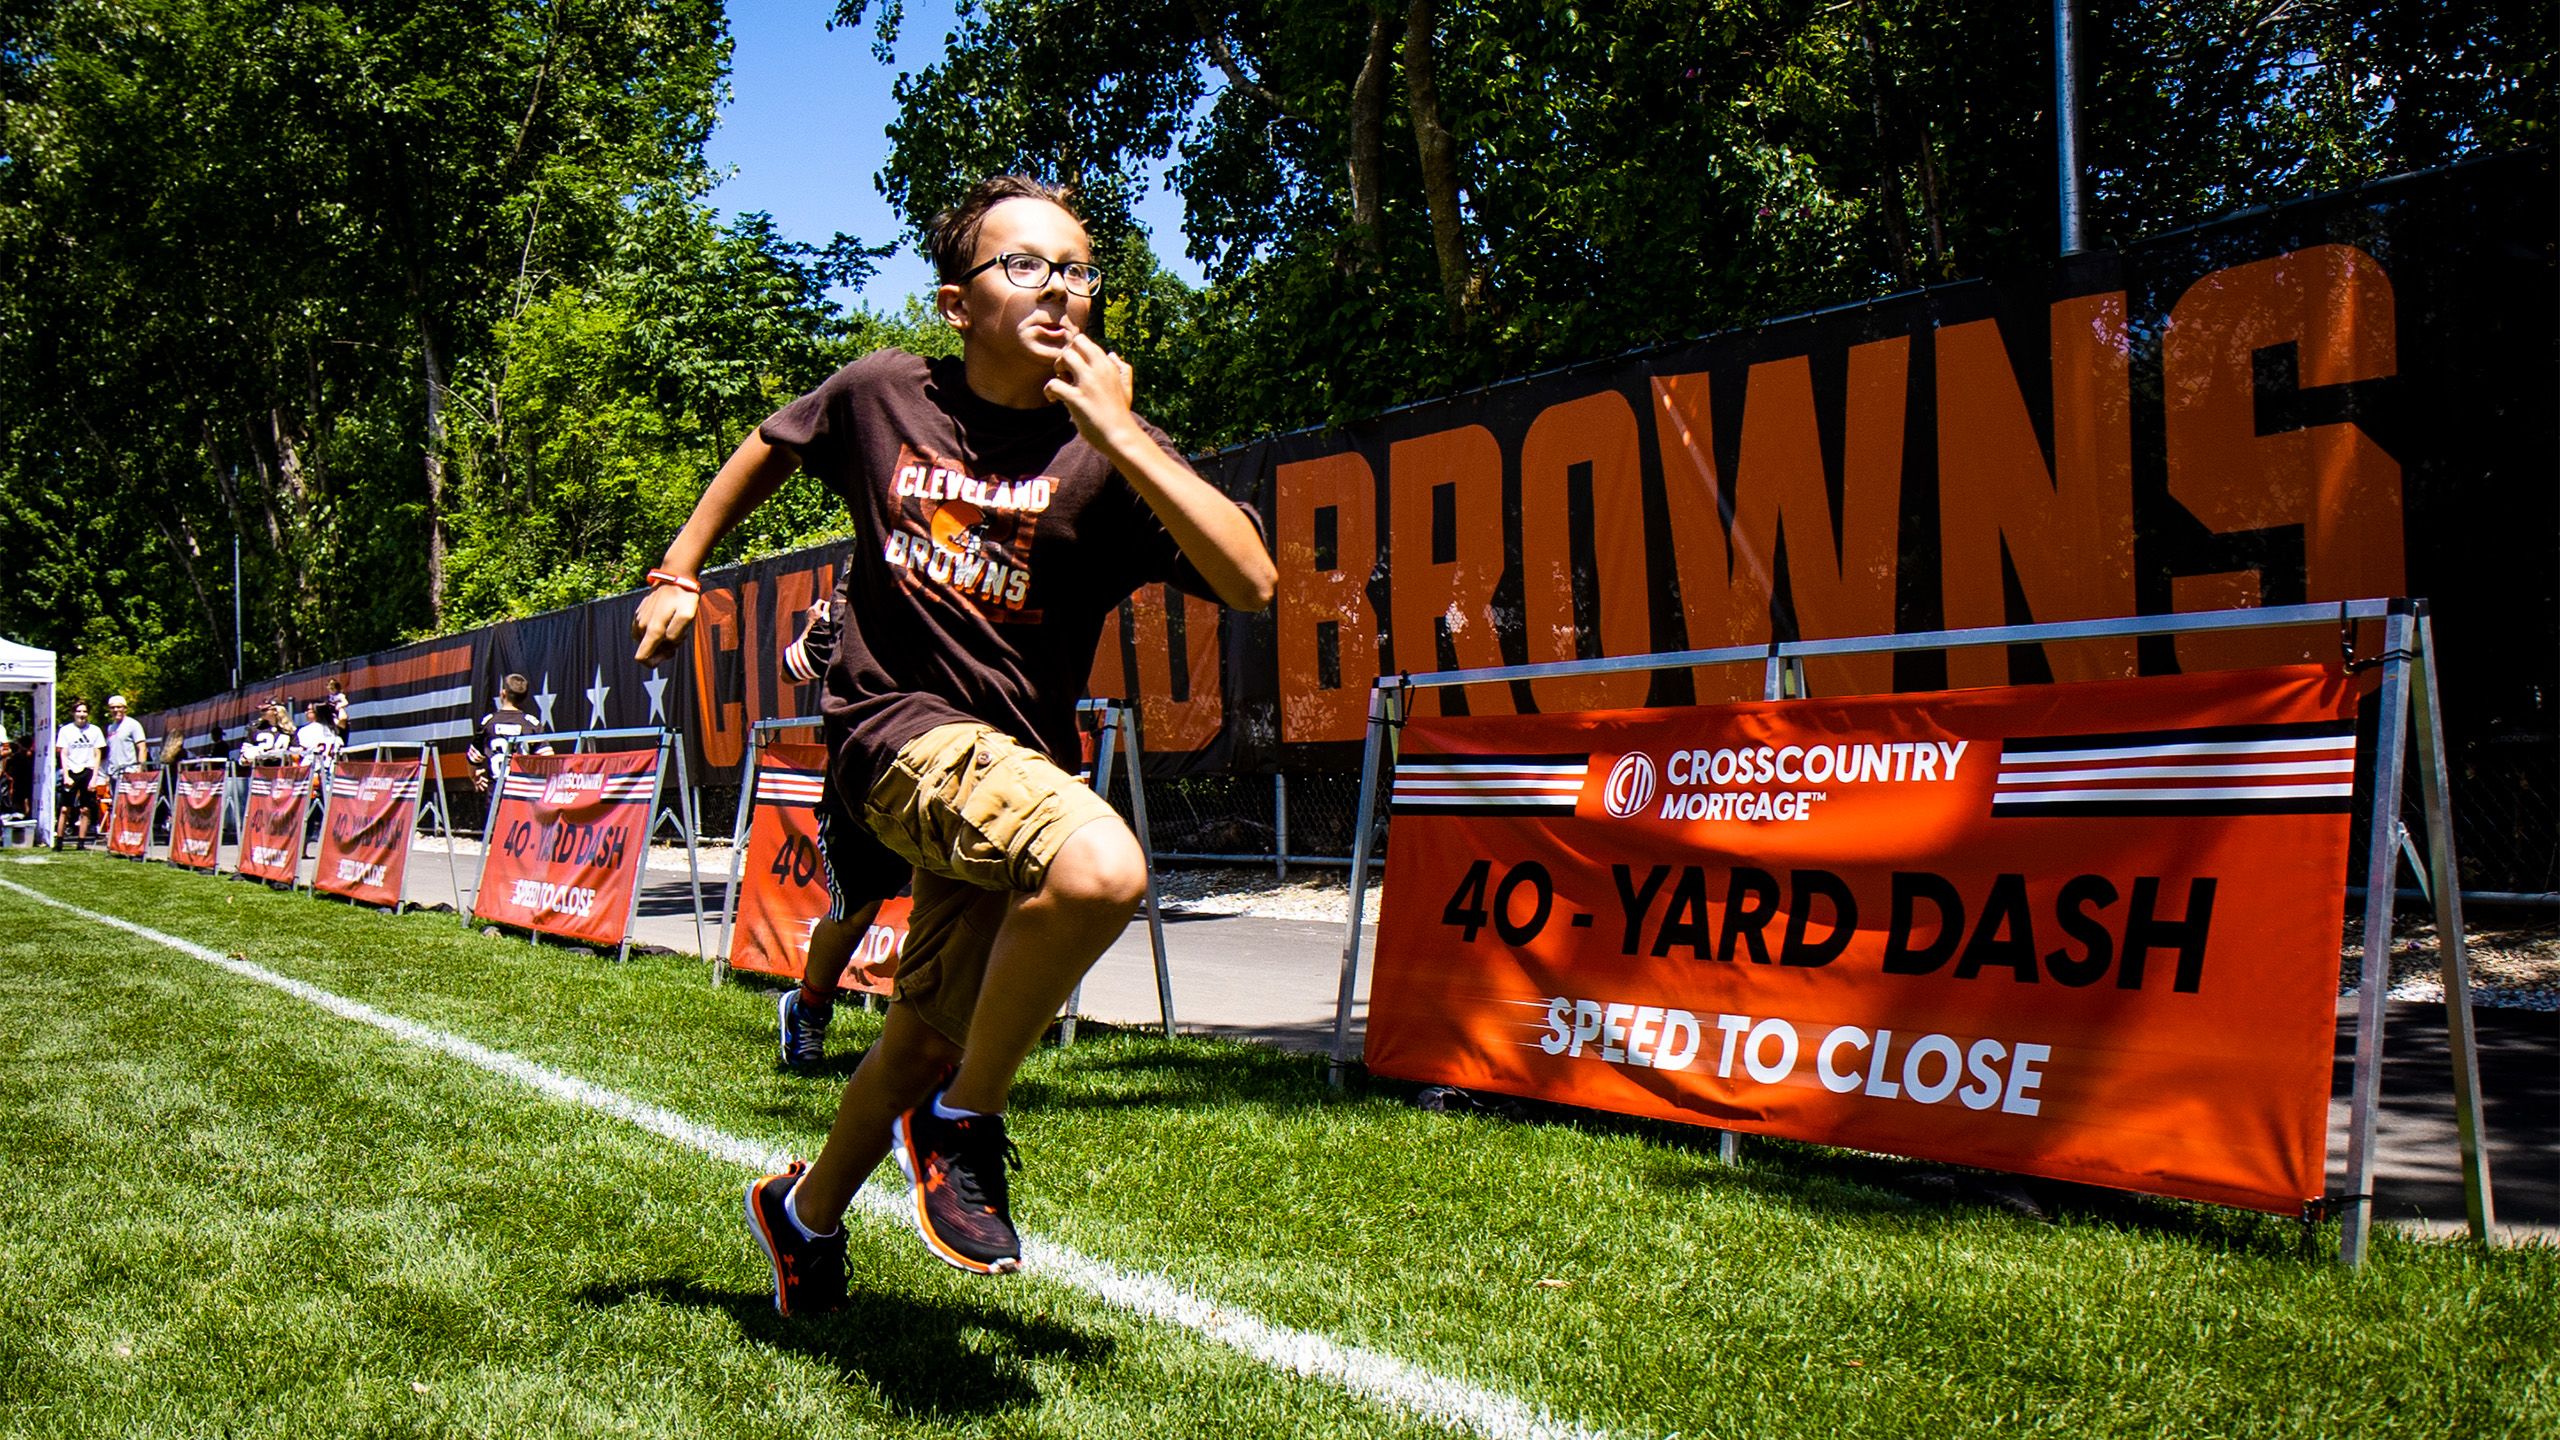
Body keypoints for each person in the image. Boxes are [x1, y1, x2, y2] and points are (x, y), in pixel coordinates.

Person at [632, 175, 1273, 1311]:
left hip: (1014, 775)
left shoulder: (1112, 456)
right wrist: (680, 569)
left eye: (1078, 270)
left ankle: (801, 1214)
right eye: (1024, 266)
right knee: (1103, 866)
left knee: (922, 1041)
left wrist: (1119, 433)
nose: (1059, 288)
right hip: (894, 741)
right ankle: (967, 1122)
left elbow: (1253, 579)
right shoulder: (884, 394)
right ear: (953, 303)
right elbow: (768, 447)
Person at [467, 673, 553, 792]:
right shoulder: (531, 724)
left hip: (497, 794)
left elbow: (473, 758)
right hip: (524, 793)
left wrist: (473, 775)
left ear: (503, 693)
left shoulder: (488, 722)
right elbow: (548, 758)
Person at [54, 700, 106, 847]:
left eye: (84, 711)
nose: (82, 714)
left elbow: (98, 755)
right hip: (71, 771)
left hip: (88, 771)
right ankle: (59, 840)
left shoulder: (95, 730)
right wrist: (66, 775)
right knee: (65, 808)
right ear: (73, 713)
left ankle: (81, 841)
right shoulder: (66, 730)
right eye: (79, 711)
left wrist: (94, 778)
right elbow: (63, 754)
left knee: (85, 808)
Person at [102, 695, 148, 781]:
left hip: (129, 773)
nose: (116, 710)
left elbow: (142, 748)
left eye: (119, 707)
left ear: (125, 709)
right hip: (113, 774)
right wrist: (107, 774)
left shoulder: (133, 724)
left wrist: (139, 771)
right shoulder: (111, 728)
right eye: (112, 707)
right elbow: (110, 752)